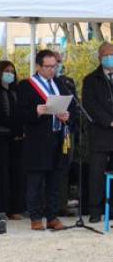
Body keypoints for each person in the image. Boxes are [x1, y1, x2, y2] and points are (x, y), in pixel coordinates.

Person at [18, 50, 71, 231]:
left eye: (54, 66)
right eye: (47, 67)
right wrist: (36, 111)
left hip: (57, 137)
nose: (51, 70)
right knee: (36, 181)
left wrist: (67, 115)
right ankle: (35, 217)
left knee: (55, 180)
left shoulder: (59, 83)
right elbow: (19, 114)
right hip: (37, 141)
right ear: (38, 66)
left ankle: (52, 216)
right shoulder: (26, 85)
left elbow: (71, 105)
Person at [82, 42, 113, 223]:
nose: (110, 58)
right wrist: (109, 121)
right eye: (106, 55)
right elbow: (90, 105)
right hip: (100, 134)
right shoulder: (91, 79)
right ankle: (95, 211)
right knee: (96, 174)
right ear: (99, 58)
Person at [0, 60, 24, 219]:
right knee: (2, 173)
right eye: (6, 71)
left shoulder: (17, 91)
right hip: (2, 137)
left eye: (12, 71)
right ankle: (2, 207)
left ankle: (16, 208)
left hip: (18, 138)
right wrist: (13, 128)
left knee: (17, 173)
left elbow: (21, 111)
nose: (10, 74)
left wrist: (19, 130)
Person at [54, 52, 77, 216]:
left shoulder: (67, 82)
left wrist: (70, 122)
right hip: (50, 132)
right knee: (49, 169)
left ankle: (61, 204)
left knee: (64, 168)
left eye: (60, 62)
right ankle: (49, 205)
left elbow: (74, 105)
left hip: (67, 131)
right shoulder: (40, 84)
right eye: (56, 63)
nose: (59, 65)